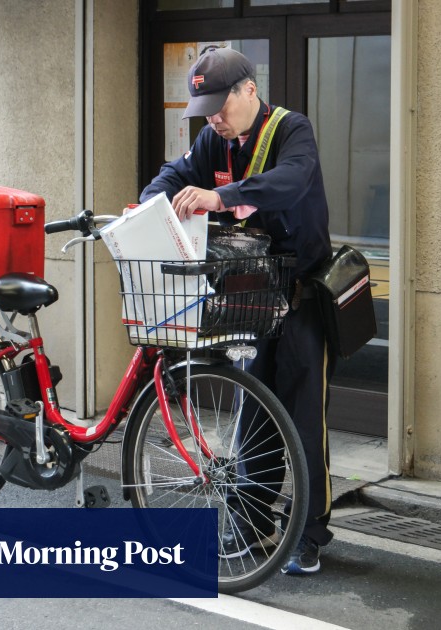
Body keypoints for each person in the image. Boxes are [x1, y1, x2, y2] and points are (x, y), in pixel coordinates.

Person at [139, 47, 334, 576]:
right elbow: (173, 174)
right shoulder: (212, 139)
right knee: (255, 409)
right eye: (205, 110)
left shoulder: (292, 130)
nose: (214, 121)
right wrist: (148, 206)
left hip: (300, 295)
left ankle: (310, 533)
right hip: (250, 294)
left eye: (220, 107)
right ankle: (251, 521)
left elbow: (291, 182)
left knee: (301, 415)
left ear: (250, 89)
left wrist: (219, 197)